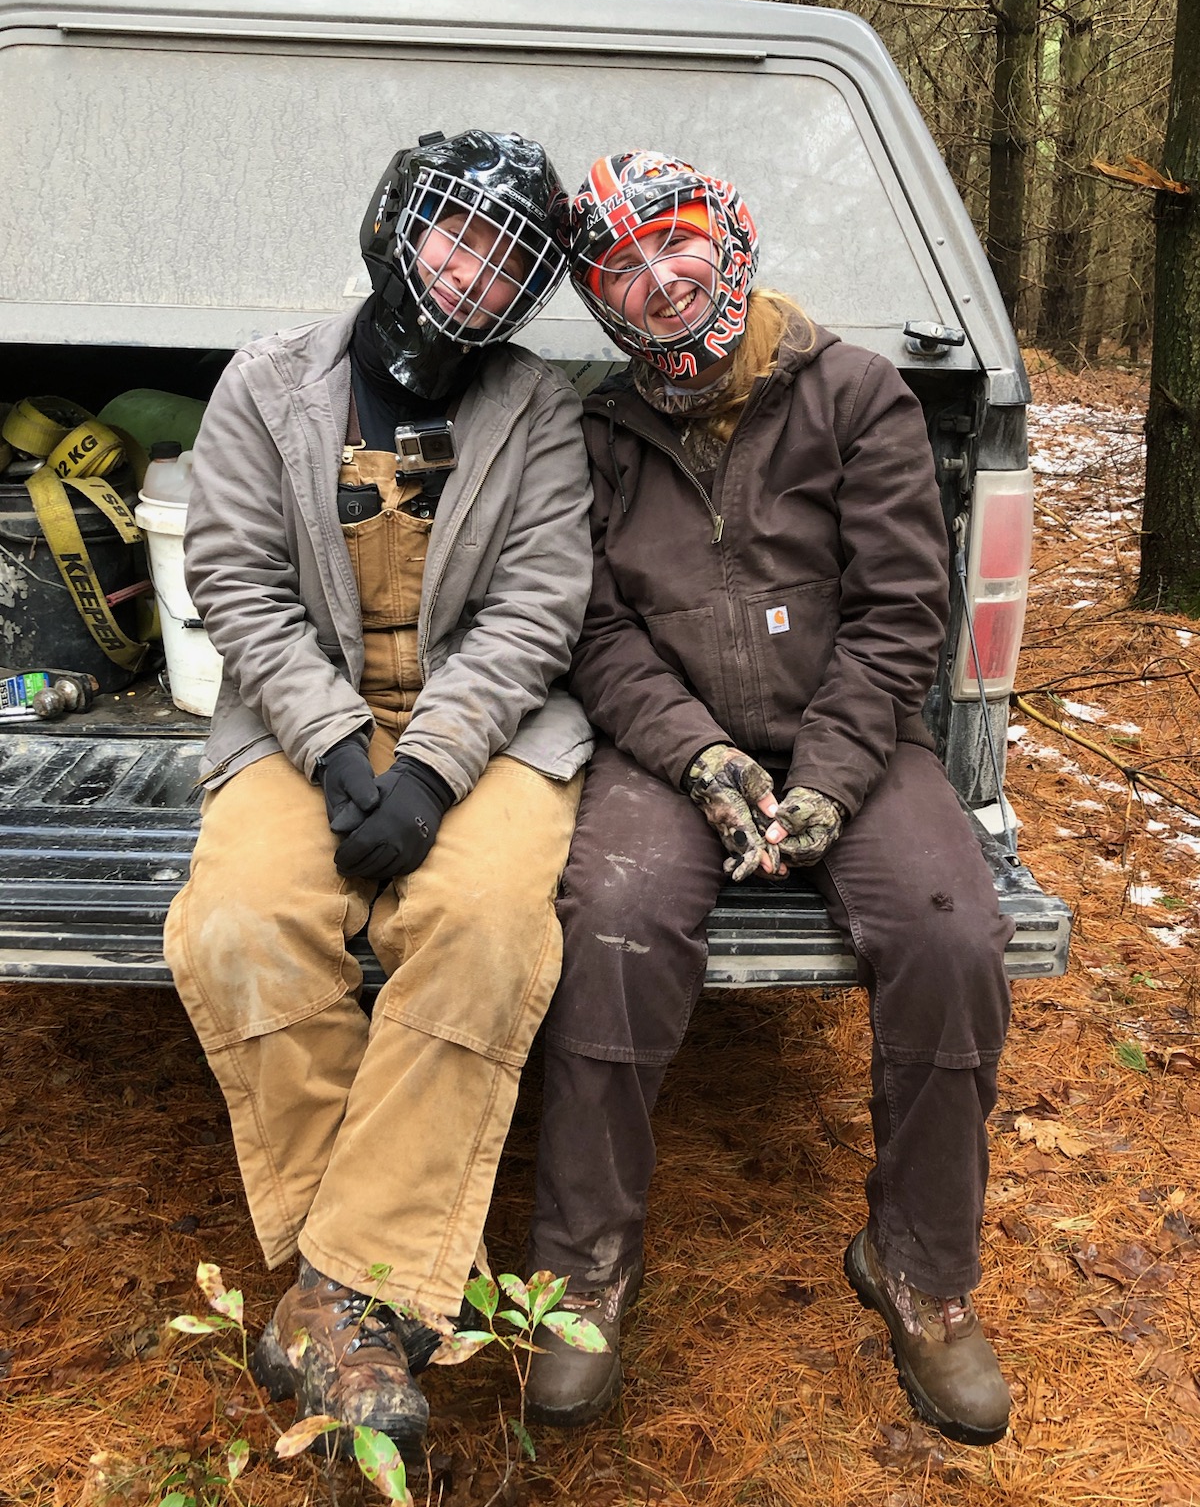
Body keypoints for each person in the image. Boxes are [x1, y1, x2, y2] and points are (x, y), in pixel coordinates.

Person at [523, 150, 1015, 1445]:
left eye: (675, 242)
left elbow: (907, 611)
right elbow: (596, 628)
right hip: (671, 749)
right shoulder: (598, 428)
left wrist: (835, 780)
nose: (658, 280)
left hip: (850, 737)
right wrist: (696, 755)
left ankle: (921, 1268)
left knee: (951, 932)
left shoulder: (858, 394)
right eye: (619, 267)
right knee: (611, 924)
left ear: (729, 236)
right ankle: (585, 1273)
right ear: (600, 300)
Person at [163, 129, 593, 1460]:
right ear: (397, 226)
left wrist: (435, 771)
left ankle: (332, 1297)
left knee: (481, 929)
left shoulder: (542, 408)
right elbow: (233, 577)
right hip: (305, 722)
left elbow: (538, 608)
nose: (476, 272)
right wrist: (344, 754)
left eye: (511, 257)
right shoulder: (268, 383)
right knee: (240, 923)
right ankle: (363, 1286)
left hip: (495, 728)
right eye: (458, 235)